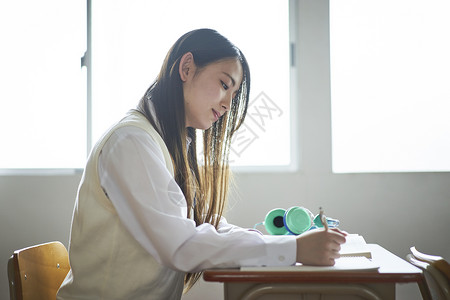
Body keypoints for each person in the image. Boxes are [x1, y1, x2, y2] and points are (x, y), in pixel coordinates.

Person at [57, 28, 346, 300]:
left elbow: (199, 225)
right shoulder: (132, 143)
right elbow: (181, 245)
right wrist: (293, 248)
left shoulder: (165, 143)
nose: (227, 105)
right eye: (224, 85)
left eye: (233, 96)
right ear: (186, 68)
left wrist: (263, 239)